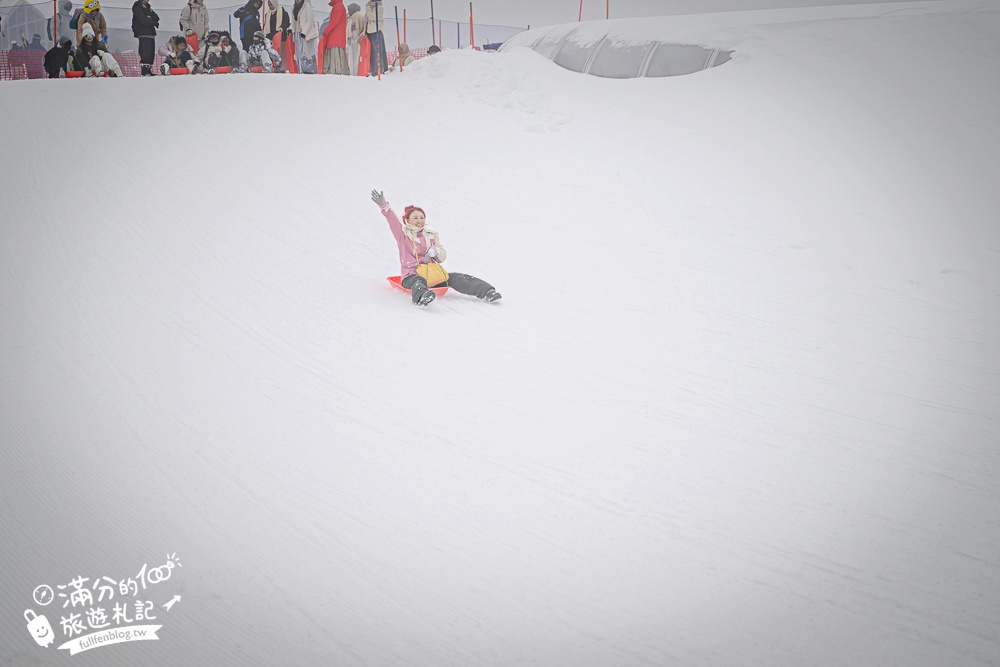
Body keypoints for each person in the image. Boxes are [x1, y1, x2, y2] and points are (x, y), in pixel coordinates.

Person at [371, 190, 502, 306]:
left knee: (456, 277)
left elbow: (442, 257)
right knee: (418, 281)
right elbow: (394, 222)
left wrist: (436, 253)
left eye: (422, 217)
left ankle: (487, 292)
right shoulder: (403, 235)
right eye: (415, 217)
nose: (419, 220)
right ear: (407, 220)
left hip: (432, 275)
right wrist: (384, 206)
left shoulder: (432, 235)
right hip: (411, 275)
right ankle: (422, 297)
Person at [317, 0, 347, 74]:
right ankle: (338, 69)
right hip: (337, 36)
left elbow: (334, 21)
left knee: (334, 52)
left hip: (335, 35)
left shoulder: (338, 6)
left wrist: (326, 31)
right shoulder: (339, 6)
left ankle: (335, 70)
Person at [131, 0, 159, 76]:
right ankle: (144, 71)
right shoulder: (138, 7)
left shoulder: (148, 7)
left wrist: (151, 19)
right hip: (143, 33)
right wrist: (152, 22)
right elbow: (142, 20)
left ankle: (149, 69)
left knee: (151, 52)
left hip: (150, 33)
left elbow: (156, 17)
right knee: (145, 52)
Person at [291, 0, 318, 74]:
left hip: (306, 34)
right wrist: (291, 29)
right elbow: (294, 21)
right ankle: (301, 69)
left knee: (307, 53)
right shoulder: (293, 8)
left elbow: (310, 21)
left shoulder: (307, 7)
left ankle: (310, 70)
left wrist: (304, 32)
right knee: (299, 53)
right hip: (297, 33)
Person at [363, 0, 387, 75]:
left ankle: (378, 69)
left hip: (375, 31)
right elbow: (365, 19)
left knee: (376, 51)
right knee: (371, 52)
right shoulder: (370, 7)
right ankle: (372, 69)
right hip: (369, 31)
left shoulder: (379, 7)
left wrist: (367, 8)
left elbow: (372, 16)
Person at [345, 3, 364, 75]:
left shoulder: (359, 16)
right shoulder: (349, 18)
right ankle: (351, 73)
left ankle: (355, 73)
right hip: (351, 40)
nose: (348, 12)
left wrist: (361, 37)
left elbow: (363, 28)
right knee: (351, 59)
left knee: (356, 58)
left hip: (357, 40)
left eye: (349, 10)